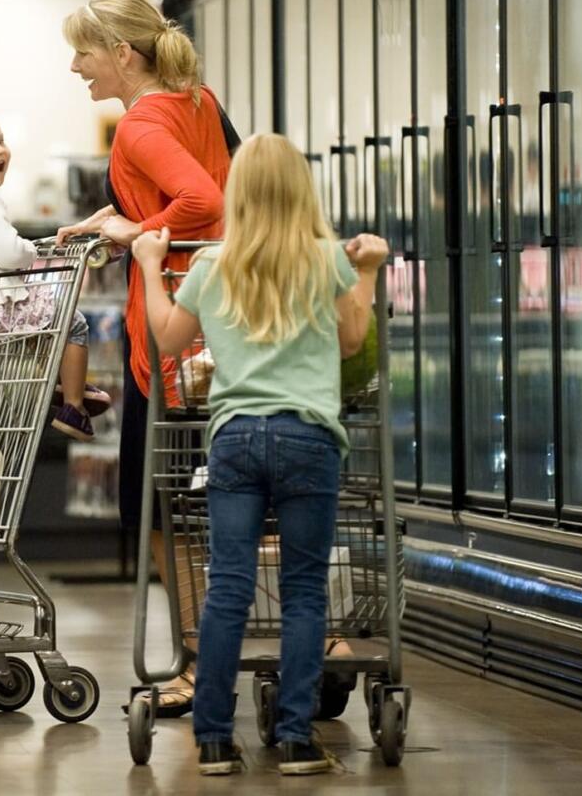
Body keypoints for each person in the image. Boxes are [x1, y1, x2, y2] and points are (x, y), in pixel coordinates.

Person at [132, 134, 389, 776]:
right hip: (308, 438)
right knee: (304, 594)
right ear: (302, 190)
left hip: (236, 439)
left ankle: (215, 738)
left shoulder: (213, 265)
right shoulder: (325, 260)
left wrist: (146, 261)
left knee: (228, 589)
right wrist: (369, 269)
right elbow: (353, 333)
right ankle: (298, 738)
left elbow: (167, 336)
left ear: (239, 194)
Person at [58, 0, 232, 716]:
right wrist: (119, 216)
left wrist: (137, 234)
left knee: (159, 511)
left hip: (168, 339)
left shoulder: (137, 125)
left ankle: (196, 665)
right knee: (223, 505)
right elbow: (224, 189)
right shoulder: (200, 101)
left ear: (123, 54)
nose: (75, 67)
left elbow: (203, 203)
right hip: (223, 327)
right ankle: (289, 642)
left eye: (84, 52)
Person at [0, 109, 111, 441]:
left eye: (1, 141)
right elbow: (10, 254)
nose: (0, 150)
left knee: (45, 328)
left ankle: (58, 381)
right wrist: (31, 251)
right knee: (72, 322)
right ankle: (73, 405)